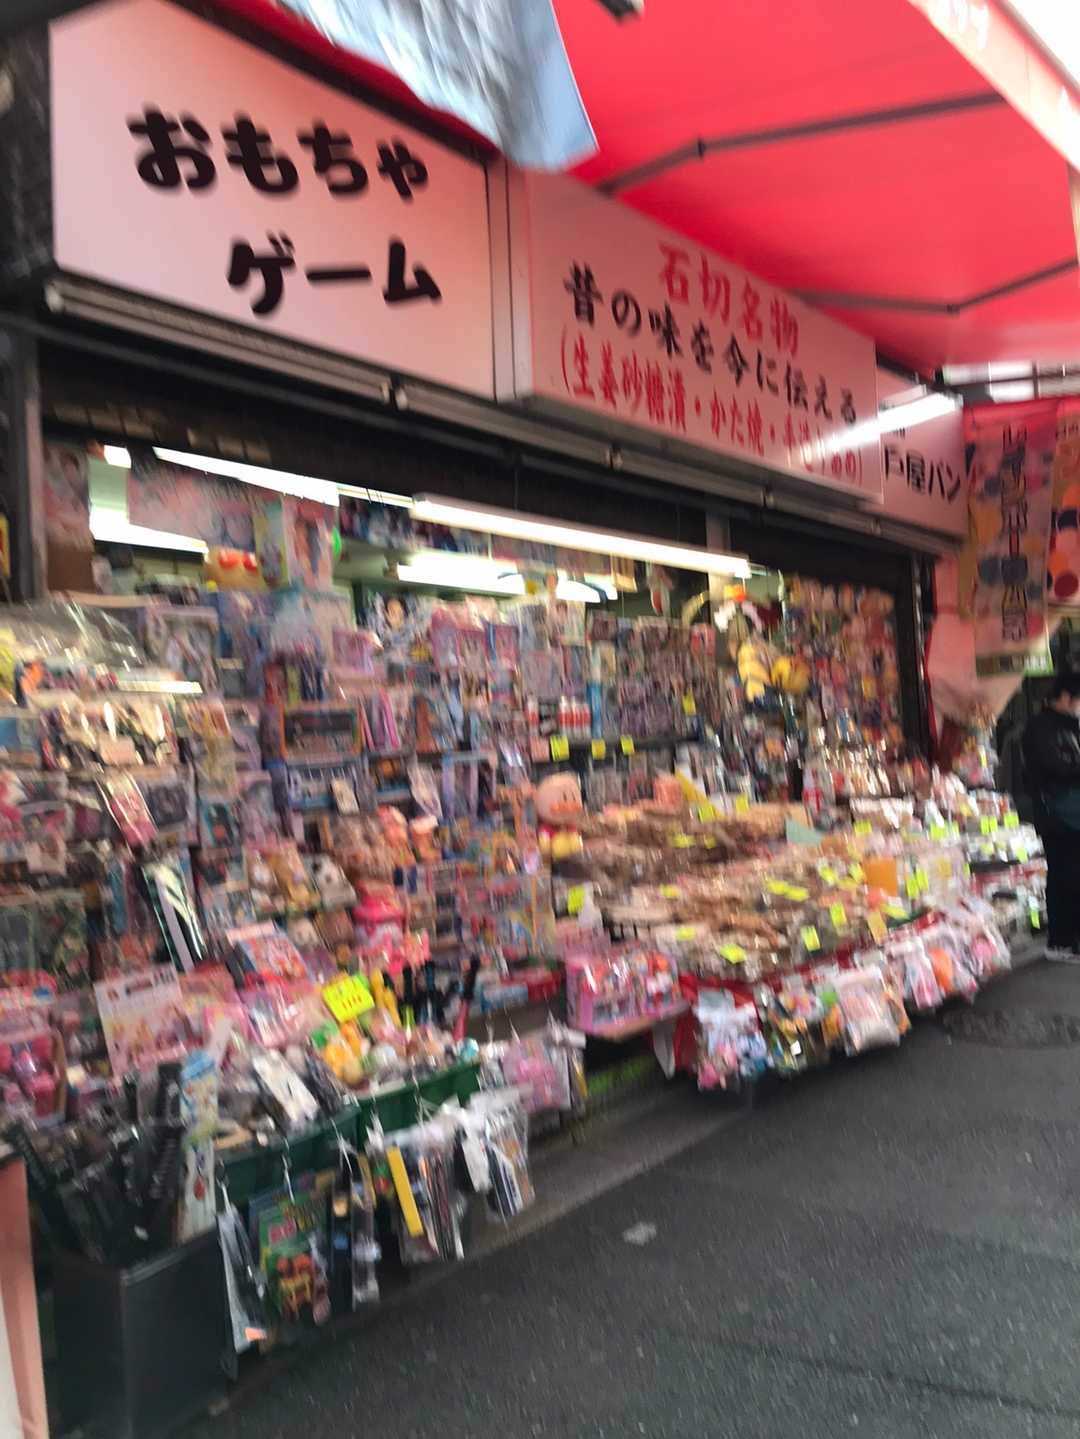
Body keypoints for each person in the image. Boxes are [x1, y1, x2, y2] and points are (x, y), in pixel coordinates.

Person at [1022, 673, 1080, 960]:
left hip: (1071, 814)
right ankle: (1061, 941)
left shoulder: (1068, 726)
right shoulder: (1040, 727)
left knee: (1072, 875)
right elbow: (1055, 767)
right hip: (1056, 815)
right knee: (1063, 876)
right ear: (1066, 697)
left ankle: (1071, 939)